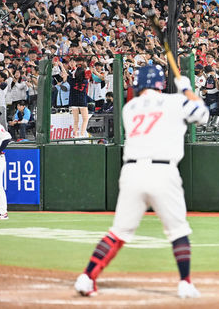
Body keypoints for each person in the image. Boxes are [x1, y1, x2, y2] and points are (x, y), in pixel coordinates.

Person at [74, 65, 209, 298]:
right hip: (163, 172)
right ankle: (185, 283)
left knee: (118, 232)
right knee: (177, 231)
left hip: (132, 172)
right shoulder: (174, 101)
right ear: (160, 83)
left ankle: (87, 277)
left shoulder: (130, 107)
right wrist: (187, 89)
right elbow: (203, 115)